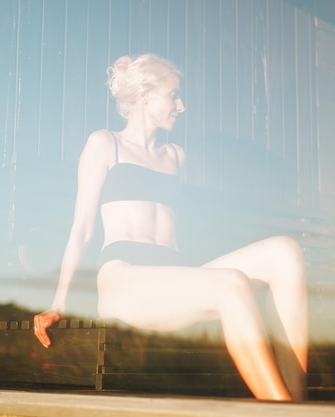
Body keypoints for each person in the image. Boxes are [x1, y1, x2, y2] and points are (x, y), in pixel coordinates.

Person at [33, 53, 307, 401]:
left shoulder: (175, 156)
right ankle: (282, 410)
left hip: (170, 276)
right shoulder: (106, 143)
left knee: (286, 252)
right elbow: (82, 228)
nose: (182, 105)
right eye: (174, 95)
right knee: (231, 283)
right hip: (124, 278)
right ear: (146, 95)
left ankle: (299, 401)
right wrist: (59, 302)